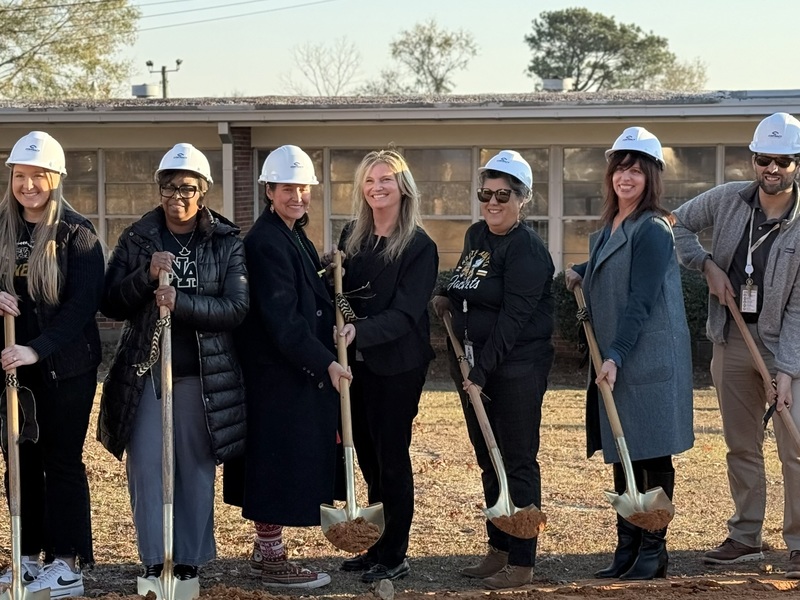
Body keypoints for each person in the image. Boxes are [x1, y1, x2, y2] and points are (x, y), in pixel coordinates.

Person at [98, 143, 248, 584]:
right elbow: (109, 300)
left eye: (186, 187)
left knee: (194, 468)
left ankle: (187, 561)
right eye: (167, 186)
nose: (176, 195)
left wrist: (182, 303)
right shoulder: (138, 237)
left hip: (200, 375)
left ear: (203, 191)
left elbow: (236, 307)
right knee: (146, 465)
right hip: (146, 373)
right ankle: (153, 557)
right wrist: (145, 276)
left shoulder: (225, 240)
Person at [672, 112, 800, 579]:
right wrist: (705, 265)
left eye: (784, 160)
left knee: (795, 447)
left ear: (797, 163)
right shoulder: (727, 200)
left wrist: (786, 369)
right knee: (741, 445)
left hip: (785, 346)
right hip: (732, 338)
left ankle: (799, 541)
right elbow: (676, 224)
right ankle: (746, 535)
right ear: (753, 160)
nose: (773, 168)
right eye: (765, 158)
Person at [565, 127, 694, 580]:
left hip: (643, 357)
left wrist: (615, 353)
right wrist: (581, 271)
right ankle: (628, 546)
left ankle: (653, 551)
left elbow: (641, 297)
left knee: (651, 454)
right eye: (620, 167)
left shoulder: (654, 228)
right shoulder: (608, 228)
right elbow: (611, 268)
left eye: (637, 169)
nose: (626, 176)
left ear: (652, 177)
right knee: (623, 454)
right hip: (619, 360)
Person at [226, 145, 349, 589]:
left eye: (303, 187)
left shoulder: (292, 234)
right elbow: (282, 318)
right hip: (276, 373)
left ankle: (265, 551)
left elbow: (301, 291)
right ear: (269, 190)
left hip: (291, 371)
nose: (297, 194)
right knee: (274, 464)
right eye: (288, 187)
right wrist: (327, 364)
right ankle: (272, 558)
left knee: (283, 460)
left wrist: (323, 267)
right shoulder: (264, 241)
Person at [431, 150, 555, 590]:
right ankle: (498, 549)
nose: (492, 202)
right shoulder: (476, 234)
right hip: (473, 365)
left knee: (517, 461)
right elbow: (470, 281)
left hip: (516, 368)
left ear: (523, 199)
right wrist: (447, 293)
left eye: (503, 194)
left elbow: (513, 320)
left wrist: (480, 372)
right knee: (488, 459)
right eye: (486, 193)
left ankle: (522, 561)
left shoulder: (528, 251)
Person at [0, 131, 105, 598]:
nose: (28, 185)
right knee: (17, 459)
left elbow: (81, 309)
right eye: (20, 176)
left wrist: (36, 348)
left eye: (37, 176)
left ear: (55, 179)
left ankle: (66, 563)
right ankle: (26, 555)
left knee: (61, 461)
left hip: (66, 369)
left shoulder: (77, 234)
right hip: (12, 369)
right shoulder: (1, 226)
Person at [335, 150, 438, 583]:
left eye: (386, 180)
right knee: (370, 460)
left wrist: (361, 332)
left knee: (391, 458)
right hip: (354, 367)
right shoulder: (352, 237)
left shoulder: (419, 246)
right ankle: (374, 545)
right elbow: (340, 293)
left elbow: (406, 313)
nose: (377, 187)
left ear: (403, 187)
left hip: (397, 366)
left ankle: (395, 553)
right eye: (370, 181)